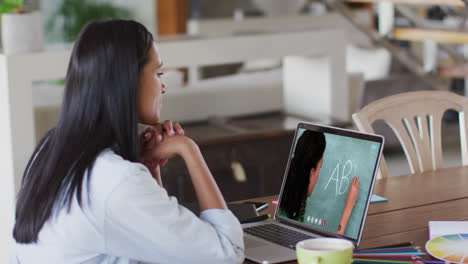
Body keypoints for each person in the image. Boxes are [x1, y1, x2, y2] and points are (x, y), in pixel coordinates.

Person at [12, 19, 244, 264]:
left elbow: (157, 246)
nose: (163, 86)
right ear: (127, 81)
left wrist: (150, 169)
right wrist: (189, 150)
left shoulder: (51, 149)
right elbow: (227, 253)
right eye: (158, 73)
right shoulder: (116, 180)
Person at [278, 130, 359, 236]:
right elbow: (333, 250)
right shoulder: (295, 221)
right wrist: (348, 207)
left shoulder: (286, 203)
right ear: (312, 172)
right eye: (320, 167)